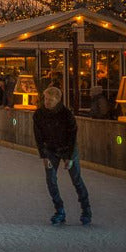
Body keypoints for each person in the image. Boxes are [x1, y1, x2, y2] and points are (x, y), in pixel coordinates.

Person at [33, 86, 92, 225]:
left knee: (76, 180)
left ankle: (86, 210)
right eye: (46, 99)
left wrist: (69, 157)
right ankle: (59, 210)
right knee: (51, 180)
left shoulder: (66, 114)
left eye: (50, 100)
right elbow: (38, 137)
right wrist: (44, 156)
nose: (47, 102)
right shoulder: (39, 114)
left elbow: (72, 136)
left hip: (67, 149)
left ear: (58, 100)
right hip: (50, 150)